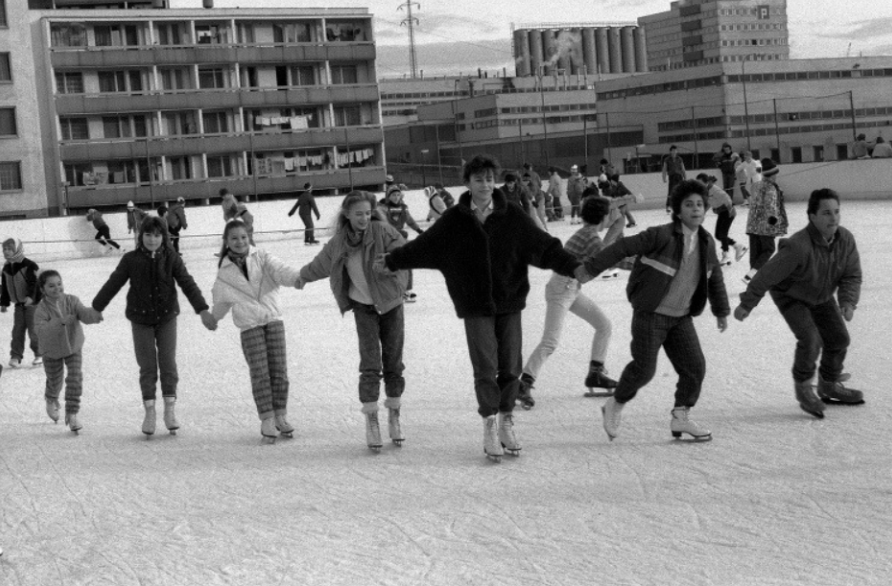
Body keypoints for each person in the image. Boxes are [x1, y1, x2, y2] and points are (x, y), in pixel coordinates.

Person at [377, 154, 588, 461]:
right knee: (486, 368)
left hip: (509, 301)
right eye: (479, 179)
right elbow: (425, 248)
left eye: (490, 179)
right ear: (468, 183)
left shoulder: (512, 215)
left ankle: (505, 421)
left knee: (510, 367)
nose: (486, 185)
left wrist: (573, 266)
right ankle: (489, 424)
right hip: (474, 304)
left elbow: (542, 246)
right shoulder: (454, 221)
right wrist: (393, 261)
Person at [582, 179, 730, 443]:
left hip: (681, 317)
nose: (696, 209)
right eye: (689, 204)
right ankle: (615, 404)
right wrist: (592, 267)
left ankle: (681, 416)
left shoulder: (706, 242)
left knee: (695, 367)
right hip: (651, 314)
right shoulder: (660, 235)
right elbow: (622, 247)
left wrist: (721, 310)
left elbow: (714, 276)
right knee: (644, 369)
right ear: (678, 209)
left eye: (699, 204)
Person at [734, 188, 863, 419]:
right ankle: (803, 387)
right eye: (826, 213)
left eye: (836, 212)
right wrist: (747, 304)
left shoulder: (845, 240)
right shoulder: (798, 246)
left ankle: (828, 384)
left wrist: (847, 301)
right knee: (810, 339)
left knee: (839, 339)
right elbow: (766, 275)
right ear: (812, 216)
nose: (833, 218)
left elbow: (851, 275)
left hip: (821, 296)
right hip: (791, 296)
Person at [297, 191, 409, 450]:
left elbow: (405, 252)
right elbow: (321, 264)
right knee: (370, 364)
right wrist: (302, 276)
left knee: (394, 362)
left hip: (391, 304)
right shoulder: (339, 242)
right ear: (346, 214)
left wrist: (391, 263)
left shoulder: (382, 231)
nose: (364, 218)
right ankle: (372, 420)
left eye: (368, 213)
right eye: (358, 213)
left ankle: (394, 416)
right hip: (363, 309)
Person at [92, 216, 216, 437]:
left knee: (168, 363)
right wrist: (97, 307)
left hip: (167, 316)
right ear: (141, 236)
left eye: (157, 235)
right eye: (148, 235)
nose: (152, 239)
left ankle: (169, 409)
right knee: (147, 366)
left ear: (164, 237)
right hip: (140, 319)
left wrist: (202, 309)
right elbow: (114, 282)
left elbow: (187, 283)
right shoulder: (131, 259)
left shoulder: (172, 258)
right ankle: (150, 411)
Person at [518, 196, 619, 410]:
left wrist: (615, 226)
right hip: (562, 289)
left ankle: (596, 373)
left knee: (604, 325)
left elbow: (604, 253)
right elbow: (607, 259)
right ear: (603, 217)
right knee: (550, 341)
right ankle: (524, 382)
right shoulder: (590, 237)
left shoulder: (588, 233)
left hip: (569, 288)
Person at [208, 219, 302, 444]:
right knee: (260, 373)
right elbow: (221, 299)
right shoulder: (225, 271)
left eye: (243, 237)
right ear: (227, 242)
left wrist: (298, 278)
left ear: (249, 237)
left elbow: (281, 271)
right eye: (234, 238)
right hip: (249, 325)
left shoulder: (262, 257)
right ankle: (267, 418)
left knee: (279, 371)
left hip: (272, 320)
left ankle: (280, 415)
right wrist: (213, 318)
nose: (240, 242)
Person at [33, 270, 103, 433]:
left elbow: (83, 313)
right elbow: (40, 330)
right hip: (51, 350)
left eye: (59, 284)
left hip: (73, 345)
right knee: (55, 381)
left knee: (75, 377)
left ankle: (72, 413)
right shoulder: (41, 309)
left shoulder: (71, 300)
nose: (57, 288)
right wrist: (61, 322)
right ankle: (51, 398)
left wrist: (94, 315)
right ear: (43, 289)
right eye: (51, 286)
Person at [743, 158, 788, 284]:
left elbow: (752, 197)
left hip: (753, 223)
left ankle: (753, 276)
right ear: (772, 174)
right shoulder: (771, 188)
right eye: (775, 173)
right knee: (769, 248)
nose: (777, 176)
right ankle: (752, 274)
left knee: (756, 252)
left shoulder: (756, 185)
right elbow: (770, 204)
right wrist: (773, 219)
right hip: (765, 223)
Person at [1, 238, 42, 368]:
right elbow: (5, 287)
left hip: (32, 305)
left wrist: (31, 297)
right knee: (17, 331)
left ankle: (40, 354)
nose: (6, 252)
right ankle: (16, 356)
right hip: (19, 305)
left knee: (34, 331)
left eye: (9, 249)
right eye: (4, 249)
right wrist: (4, 302)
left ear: (17, 250)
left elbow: (34, 283)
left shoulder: (29, 265)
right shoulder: (6, 268)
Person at [379, 185, 423, 302]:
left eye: (398, 195)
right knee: (392, 265)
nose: (396, 197)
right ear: (388, 196)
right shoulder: (383, 208)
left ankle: (406, 290)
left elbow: (410, 221)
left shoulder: (403, 208)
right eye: (393, 195)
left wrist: (419, 231)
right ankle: (393, 291)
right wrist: (397, 232)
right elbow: (383, 224)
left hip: (400, 239)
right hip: (388, 240)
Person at [696, 173, 747, 265]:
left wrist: (730, 208)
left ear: (706, 182)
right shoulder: (704, 191)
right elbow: (708, 203)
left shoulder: (713, 189)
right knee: (718, 235)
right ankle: (738, 246)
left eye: (700, 183)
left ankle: (726, 255)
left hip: (727, 211)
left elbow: (726, 197)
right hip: (721, 213)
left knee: (722, 234)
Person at [661, 145, 686, 213]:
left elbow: (683, 168)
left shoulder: (679, 159)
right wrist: (664, 177)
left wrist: (685, 177)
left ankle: (681, 206)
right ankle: (668, 206)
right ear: (670, 151)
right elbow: (664, 169)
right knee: (671, 191)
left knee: (681, 191)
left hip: (679, 176)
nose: (674, 152)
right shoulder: (667, 159)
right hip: (672, 176)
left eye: (676, 150)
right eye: (673, 150)